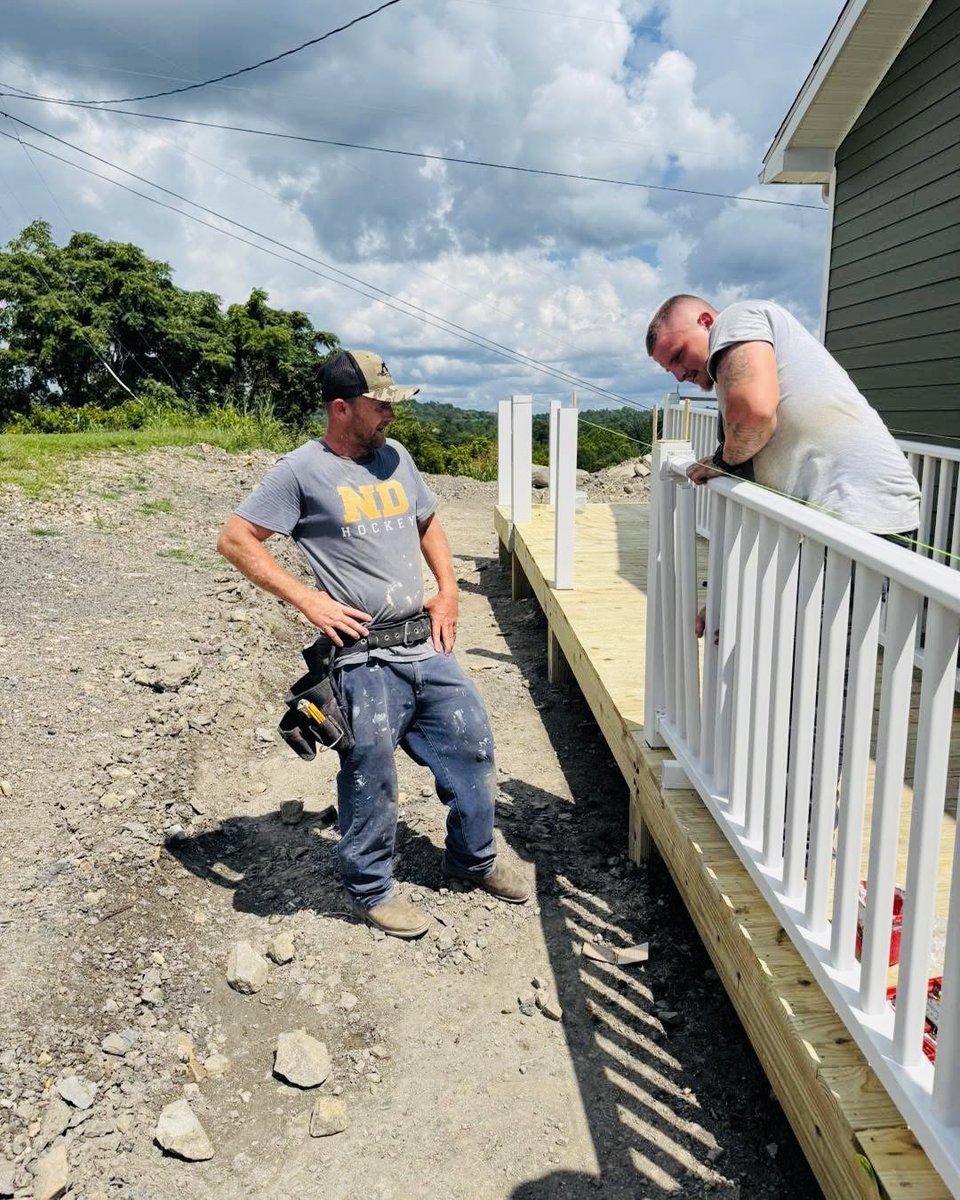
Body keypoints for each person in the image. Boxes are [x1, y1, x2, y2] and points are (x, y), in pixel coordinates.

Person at [217, 348, 529, 939]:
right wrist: (308, 600)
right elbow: (236, 539)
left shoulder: (395, 458)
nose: (389, 415)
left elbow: (427, 522)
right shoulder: (300, 472)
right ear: (341, 408)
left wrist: (448, 591)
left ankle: (474, 858)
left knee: (472, 746)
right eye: (379, 404)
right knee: (371, 772)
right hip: (362, 654)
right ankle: (370, 886)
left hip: (423, 642)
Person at [645, 295, 920, 535]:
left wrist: (722, 462)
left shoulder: (736, 318)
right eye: (670, 369)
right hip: (843, 513)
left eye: (679, 355)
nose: (680, 374)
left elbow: (754, 414)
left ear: (705, 321)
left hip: (859, 510)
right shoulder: (730, 359)